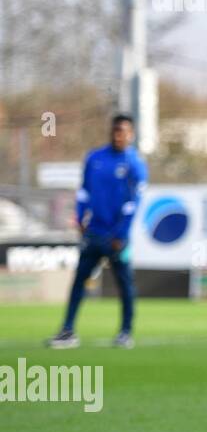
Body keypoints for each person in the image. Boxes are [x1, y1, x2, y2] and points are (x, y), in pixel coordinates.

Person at [48, 114, 148, 349]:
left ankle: (125, 331)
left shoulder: (135, 164)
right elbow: (84, 190)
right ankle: (68, 330)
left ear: (131, 134)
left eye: (123, 131)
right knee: (79, 281)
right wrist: (80, 215)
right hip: (94, 233)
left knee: (125, 285)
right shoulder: (95, 158)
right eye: (115, 131)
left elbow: (134, 204)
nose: (119, 136)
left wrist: (121, 234)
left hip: (117, 238)